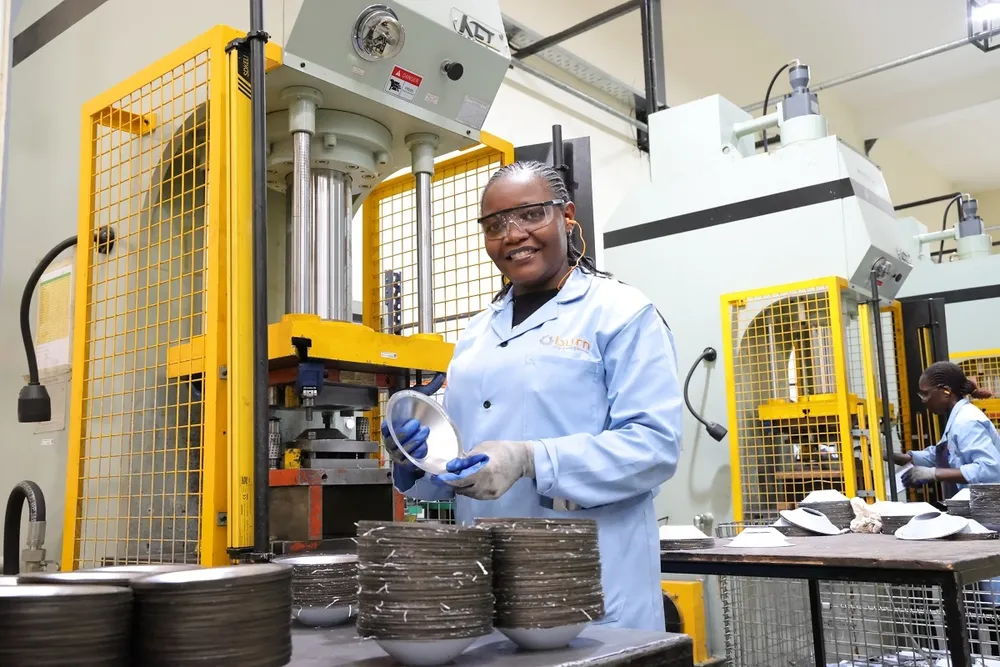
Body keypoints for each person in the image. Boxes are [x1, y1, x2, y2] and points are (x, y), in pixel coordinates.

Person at [381, 160, 683, 631]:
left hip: (591, 586)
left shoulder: (621, 313)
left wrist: (528, 459)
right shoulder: (476, 334)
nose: (513, 234)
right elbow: (466, 464)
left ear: (567, 216)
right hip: (488, 586)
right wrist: (417, 461)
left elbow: (654, 448)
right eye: (495, 224)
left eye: (531, 214)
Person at [890, 361, 1000, 496]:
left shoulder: (966, 422)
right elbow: (943, 454)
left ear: (946, 391)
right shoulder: (957, 418)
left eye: (926, 394)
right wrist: (896, 457)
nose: (923, 400)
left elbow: (990, 468)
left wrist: (934, 473)